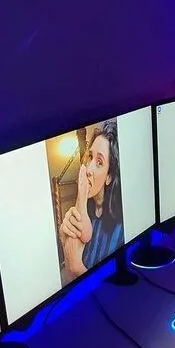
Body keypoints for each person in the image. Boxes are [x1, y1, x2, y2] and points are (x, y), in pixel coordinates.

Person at [58, 119, 123, 282]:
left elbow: (113, 290)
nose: (88, 169)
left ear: (109, 177)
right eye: (90, 157)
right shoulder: (82, 214)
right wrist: (65, 243)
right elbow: (69, 278)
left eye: (99, 162)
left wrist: (78, 268)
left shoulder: (122, 227)